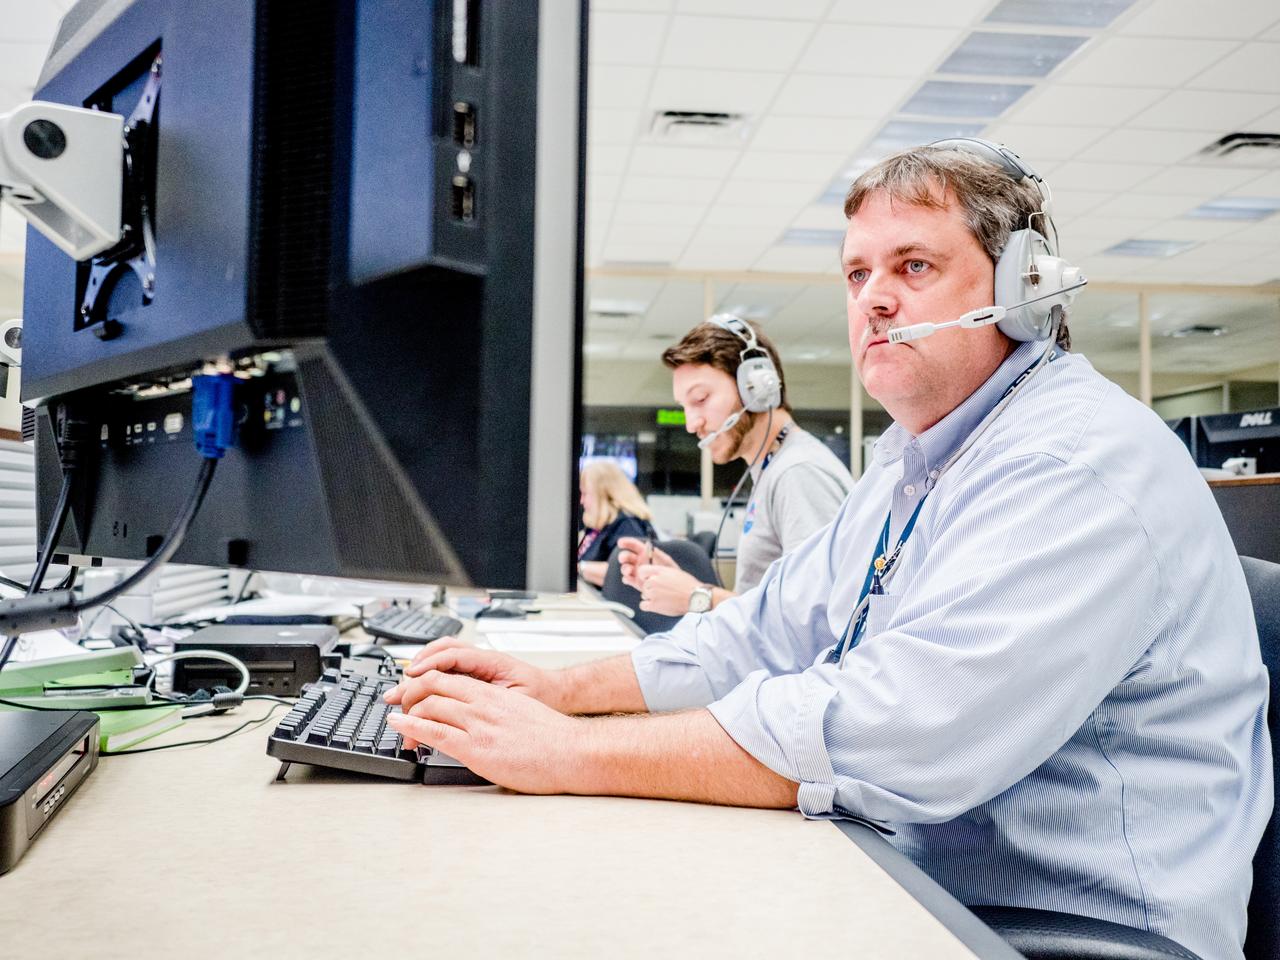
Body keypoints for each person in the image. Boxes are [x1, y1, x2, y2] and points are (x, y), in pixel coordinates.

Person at [386, 142, 1271, 960]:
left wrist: (570, 754)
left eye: (912, 266)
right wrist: (555, 692)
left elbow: (893, 734)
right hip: (928, 881)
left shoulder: (1073, 463)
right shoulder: (910, 463)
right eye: (857, 274)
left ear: (1029, 287)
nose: (873, 298)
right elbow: (763, 633)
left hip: (1073, 931)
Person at [617, 320, 852, 616]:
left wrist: (698, 596)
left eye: (701, 399)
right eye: (684, 407)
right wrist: (684, 586)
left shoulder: (798, 473)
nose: (692, 424)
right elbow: (764, 611)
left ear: (756, 387)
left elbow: (816, 616)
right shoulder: (773, 469)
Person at [576, 461, 655, 587]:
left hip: (612, 604)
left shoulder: (628, 526)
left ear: (604, 494)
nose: (581, 501)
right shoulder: (600, 526)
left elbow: (625, 573)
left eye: (585, 494)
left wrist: (580, 568)